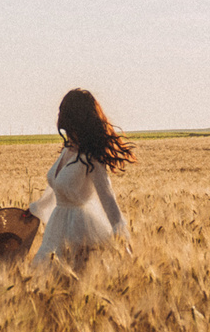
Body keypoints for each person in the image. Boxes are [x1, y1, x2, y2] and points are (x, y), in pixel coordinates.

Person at [28, 88, 133, 263]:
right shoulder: (67, 150)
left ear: (76, 119)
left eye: (64, 113)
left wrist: (120, 234)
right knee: (46, 272)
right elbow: (56, 187)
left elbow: (107, 197)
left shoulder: (91, 157)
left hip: (79, 228)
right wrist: (35, 210)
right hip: (57, 225)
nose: (59, 117)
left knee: (70, 276)